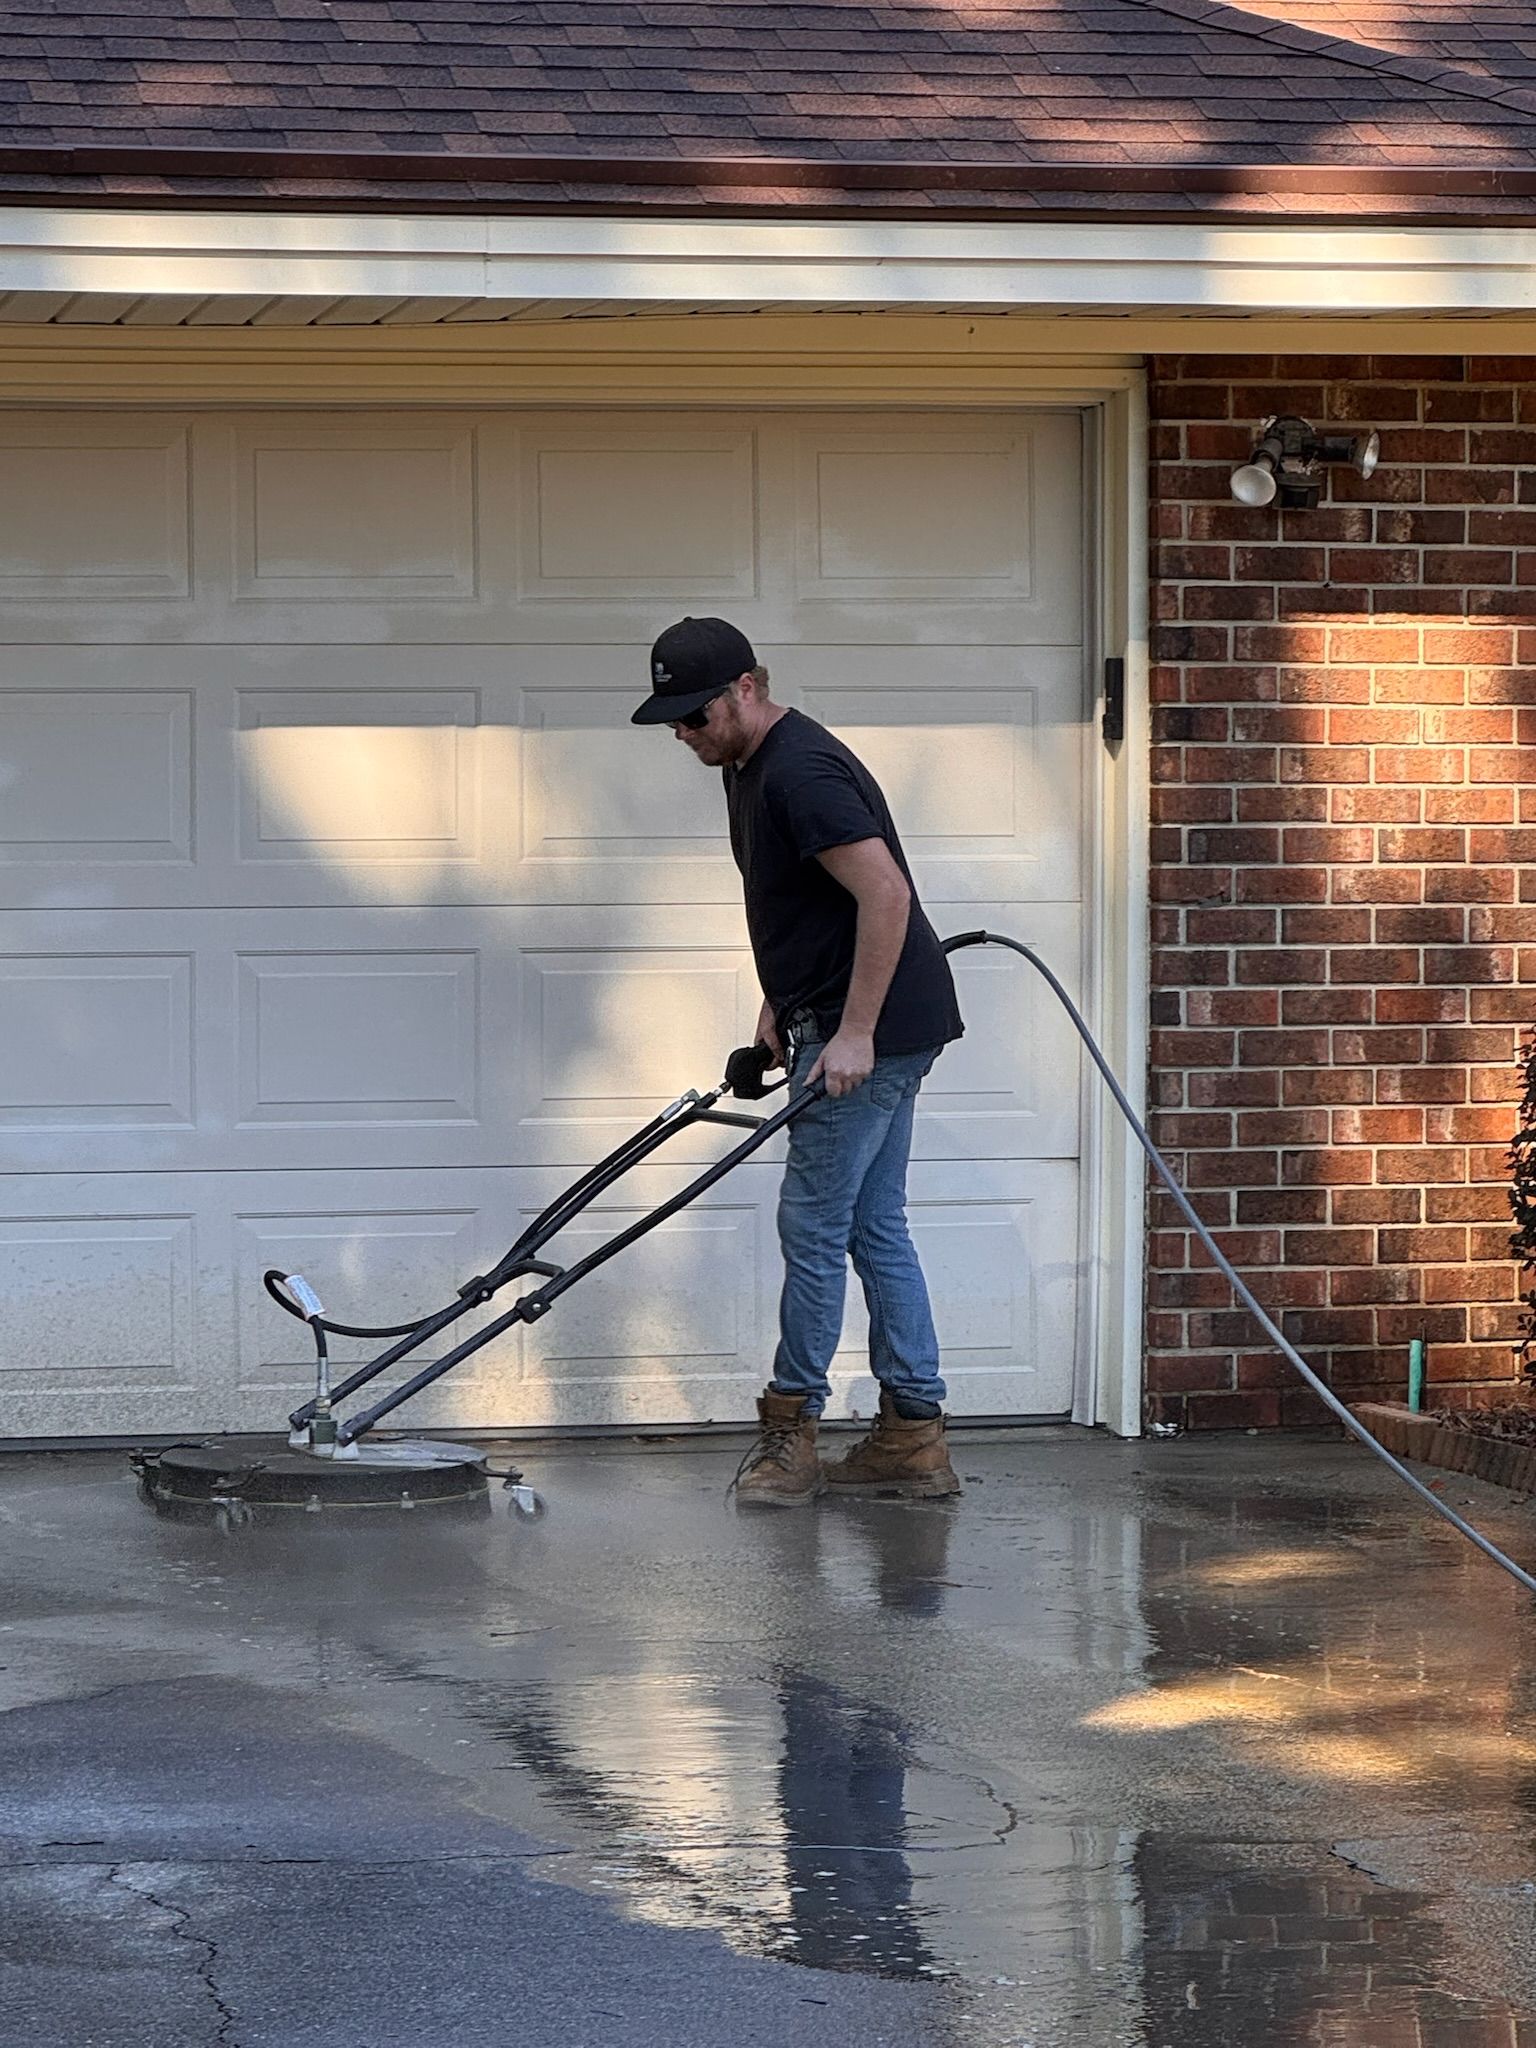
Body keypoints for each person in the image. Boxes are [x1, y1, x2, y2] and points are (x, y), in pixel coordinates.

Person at [631, 616, 964, 1507]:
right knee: (871, 1225)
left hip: (874, 1027)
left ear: (747, 687)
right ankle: (913, 1435)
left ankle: (793, 1434)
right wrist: (779, 1004)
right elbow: (803, 903)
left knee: (814, 1228)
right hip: (862, 1015)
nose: (682, 732)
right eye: (672, 719)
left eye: (694, 715)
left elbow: (884, 892)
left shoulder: (802, 770)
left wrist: (852, 1032)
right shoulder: (746, 765)